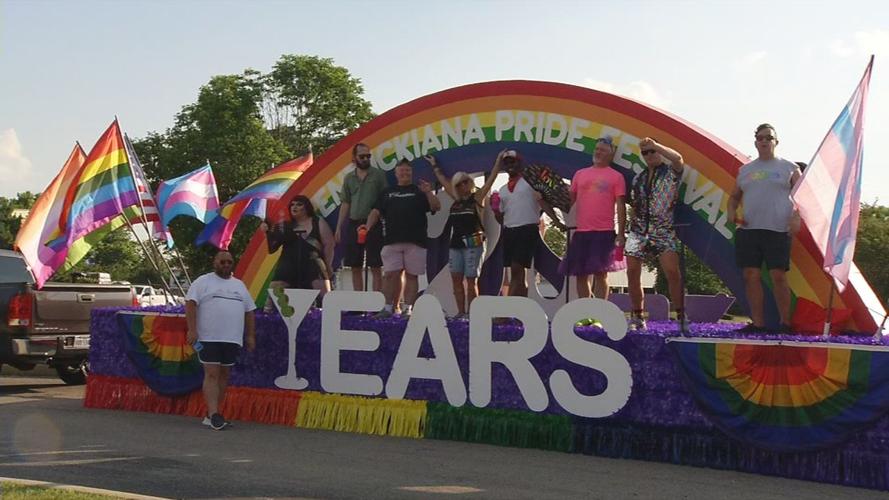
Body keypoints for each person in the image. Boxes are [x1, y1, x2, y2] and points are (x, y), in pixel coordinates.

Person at [727, 123, 802, 333]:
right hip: (750, 230)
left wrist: (796, 217)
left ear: (776, 142)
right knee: (751, 275)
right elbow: (734, 197)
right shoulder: (745, 170)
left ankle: (785, 323)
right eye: (760, 138)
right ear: (755, 142)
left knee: (778, 275)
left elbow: (803, 196)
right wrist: (731, 210)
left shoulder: (788, 167)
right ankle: (758, 324)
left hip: (778, 230)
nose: (764, 141)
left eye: (769, 138)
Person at [185, 251, 256, 431]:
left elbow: (249, 311)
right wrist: (192, 330)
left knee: (224, 375)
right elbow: (190, 304)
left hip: (231, 338)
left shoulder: (239, 285)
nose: (226, 264)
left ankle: (212, 414)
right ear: (214, 262)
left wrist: (250, 335)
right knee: (212, 374)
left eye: (229, 262)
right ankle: (215, 413)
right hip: (208, 337)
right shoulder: (202, 282)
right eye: (222, 261)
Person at [427, 151, 502, 319]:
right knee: (456, 281)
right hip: (455, 245)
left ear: (470, 182)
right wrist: (435, 166)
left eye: (465, 182)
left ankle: (471, 313)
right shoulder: (456, 199)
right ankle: (460, 312)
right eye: (459, 184)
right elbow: (444, 182)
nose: (462, 186)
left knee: (470, 280)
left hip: (473, 244)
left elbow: (491, 180)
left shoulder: (477, 198)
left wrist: (498, 162)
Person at [625, 137, 686, 332]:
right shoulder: (638, 177)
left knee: (672, 273)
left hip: (663, 229)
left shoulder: (670, 172)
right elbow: (634, 205)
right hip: (638, 229)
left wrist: (655, 145)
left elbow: (678, 159)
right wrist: (629, 229)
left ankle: (681, 316)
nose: (650, 155)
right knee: (632, 272)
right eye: (645, 153)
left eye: (653, 151)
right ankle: (637, 316)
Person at [365, 159, 441, 317]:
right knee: (390, 275)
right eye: (402, 170)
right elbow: (375, 211)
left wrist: (428, 192)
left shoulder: (419, 191)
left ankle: (408, 309)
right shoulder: (387, 192)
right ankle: (386, 308)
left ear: (411, 173)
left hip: (416, 241)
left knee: (411, 276)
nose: (405, 173)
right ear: (396, 173)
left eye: (408, 171)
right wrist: (367, 227)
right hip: (391, 241)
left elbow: (436, 207)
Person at [559, 136, 626, 300]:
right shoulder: (580, 174)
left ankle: (601, 310)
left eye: (603, 150)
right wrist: (548, 196)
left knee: (601, 274)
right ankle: (585, 310)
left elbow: (621, 206)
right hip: (582, 231)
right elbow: (568, 202)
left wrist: (621, 233)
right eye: (596, 149)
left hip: (605, 231)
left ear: (611, 154)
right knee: (580, 274)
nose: (598, 152)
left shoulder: (616, 177)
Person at [496, 150, 565, 297]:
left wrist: (557, 221)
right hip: (509, 231)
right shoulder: (502, 190)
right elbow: (500, 219)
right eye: (507, 163)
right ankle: (520, 308)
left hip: (527, 229)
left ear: (519, 163)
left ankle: (507, 310)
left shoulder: (530, 182)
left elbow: (543, 203)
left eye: (513, 162)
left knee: (517, 268)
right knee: (516, 272)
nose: (510, 165)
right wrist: (495, 209)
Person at [261, 195, 334, 309]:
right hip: (289, 262)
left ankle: (326, 313)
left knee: (323, 291)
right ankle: (268, 314)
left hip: (313, 262)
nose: (294, 207)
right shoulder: (284, 226)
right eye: (292, 205)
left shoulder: (317, 221)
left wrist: (328, 265)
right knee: (276, 286)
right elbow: (273, 247)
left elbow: (329, 244)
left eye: (299, 204)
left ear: (307, 208)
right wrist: (267, 231)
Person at [335, 143, 389, 292]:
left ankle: (376, 301)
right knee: (354, 264)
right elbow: (345, 202)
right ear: (354, 158)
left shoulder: (378, 175)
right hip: (354, 222)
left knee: (376, 264)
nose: (365, 159)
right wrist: (339, 227)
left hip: (373, 223)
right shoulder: (349, 178)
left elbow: (385, 199)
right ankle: (358, 300)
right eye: (362, 156)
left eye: (368, 156)